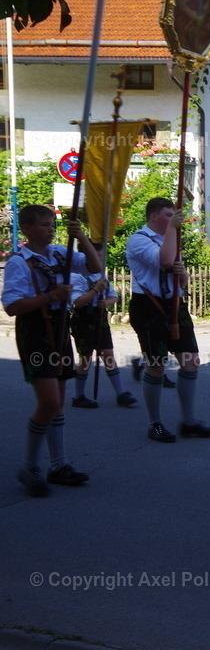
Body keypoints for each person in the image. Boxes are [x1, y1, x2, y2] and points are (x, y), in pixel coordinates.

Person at [2, 204, 101, 496]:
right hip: (35, 331)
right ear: (28, 229)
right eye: (44, 225)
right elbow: (12, 306)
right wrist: (50, 296)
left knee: (57, 401)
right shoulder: (20, 262)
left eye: (51, 224)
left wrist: (81, 237)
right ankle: (30, 467)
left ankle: (58, 465)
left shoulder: (60, 252)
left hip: (59, 329)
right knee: (47, 402)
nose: (50, 229)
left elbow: (95, 267)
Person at [126, 197, 210, 443]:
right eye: (168, 214)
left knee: (191, 361)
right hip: (149, 306)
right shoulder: (138, 239)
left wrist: (183, 274)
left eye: (173, 215)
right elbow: (165, 261)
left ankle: (188, 421)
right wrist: (174, 231)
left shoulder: (169, 238)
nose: (173, 219)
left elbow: (180, 277)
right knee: (156, 366)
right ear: (154, 216)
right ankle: (155, 423)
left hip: (175, 305)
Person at [68, 270, 137, 409]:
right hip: (83, 320)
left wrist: (106, 302)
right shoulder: (76, 276)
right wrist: (95, 290)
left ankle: (121, 393)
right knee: (85, 358)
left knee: (108, 354)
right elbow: (78, 302)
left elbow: (113, 297)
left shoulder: (100, 275)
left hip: (100, 319)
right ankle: (78, 396)